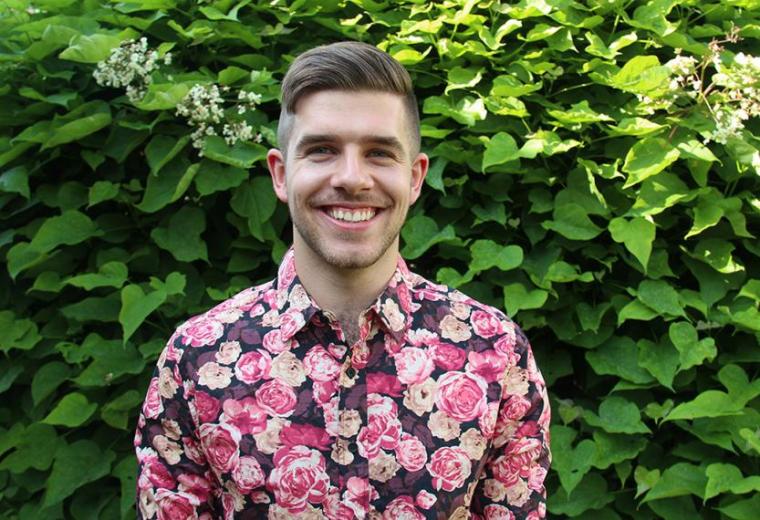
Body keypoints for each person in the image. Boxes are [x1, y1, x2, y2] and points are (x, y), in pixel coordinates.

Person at [135, 41, 551, 519]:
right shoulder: (194, 360)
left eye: (378, 153)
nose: (352, 178)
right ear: (280, 173)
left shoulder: (495, 353)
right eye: (322, 150)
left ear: (415, 178)